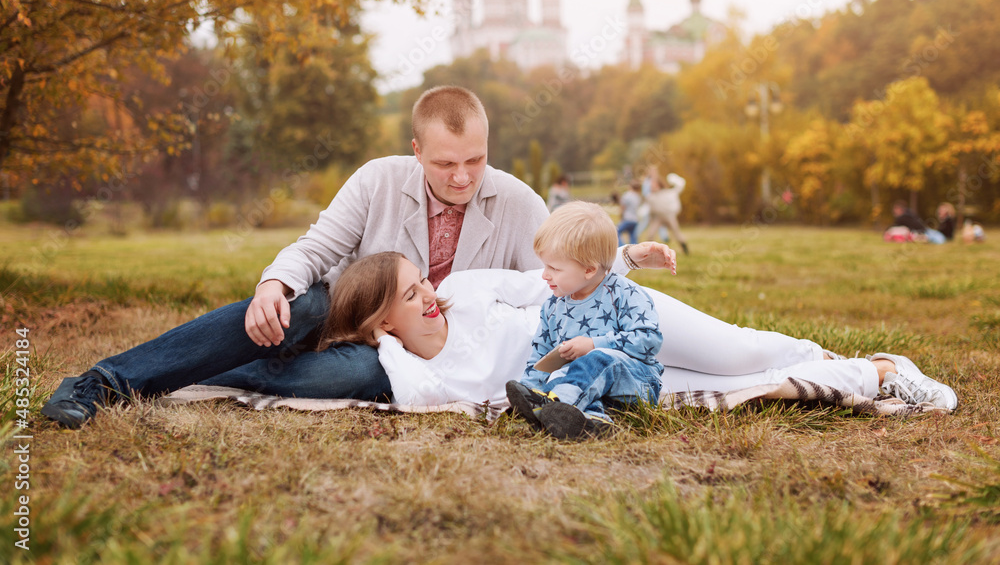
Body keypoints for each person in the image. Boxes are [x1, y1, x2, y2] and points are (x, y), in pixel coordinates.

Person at [41, 85, 551, 429]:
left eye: (475, 160)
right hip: (345, 307)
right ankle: (100, 383)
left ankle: (197, 369)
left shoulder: (520, 203)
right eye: (445, 163)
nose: (462, 177)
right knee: (297, 308)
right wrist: (272, 288)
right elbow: (316, 247)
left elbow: (553, 294)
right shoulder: (378, 180)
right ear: (416, 151)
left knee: (353, 378)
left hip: (404, 353)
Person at [323, 254, 957, 438]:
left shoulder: (463, 288)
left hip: (611, 312)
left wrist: (619, 259)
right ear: (384, 327)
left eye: (421, 281)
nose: (429, 295)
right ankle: (878, 372)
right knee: (733, 391)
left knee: (738, 355)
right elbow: (401, 386)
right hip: (604, 370)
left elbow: (538, 281)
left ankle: (840, 361)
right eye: (411, 297)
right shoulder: (412, 372)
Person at [506, 202, 664, 439]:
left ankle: (556, 406)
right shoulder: (552, 307)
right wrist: (530, 388)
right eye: (544, 265)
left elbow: (649, 339)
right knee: (561, 374)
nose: (544, 275)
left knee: (598, 359)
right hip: (585, 388)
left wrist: (593, 345)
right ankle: (591, 422)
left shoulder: (624, 293)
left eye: (554, 268)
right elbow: (541, 355)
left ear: (589, 270)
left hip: (635, 383)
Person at [644, 172, 689, 255]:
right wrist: (653, 175)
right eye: (651, 186)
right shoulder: (651, 197)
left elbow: (680, 187)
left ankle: (685, 249)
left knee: (677, 233)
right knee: (650, 235)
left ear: (659, 185)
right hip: (658, 218)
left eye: (654, 185)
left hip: (669, 217)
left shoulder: (668, 193)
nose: (652, 187)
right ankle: (647, 252)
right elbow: (650, 209)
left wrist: (674, 179)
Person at [617, 180, 642, 245]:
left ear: (630, 186)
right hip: (635, 219)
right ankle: (635, 250)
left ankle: (622, 246)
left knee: (616, 231)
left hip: (627, 218)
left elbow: (623, 207)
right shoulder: (638, 197)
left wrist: (621, 216)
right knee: (633, 237)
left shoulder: (627, 195)